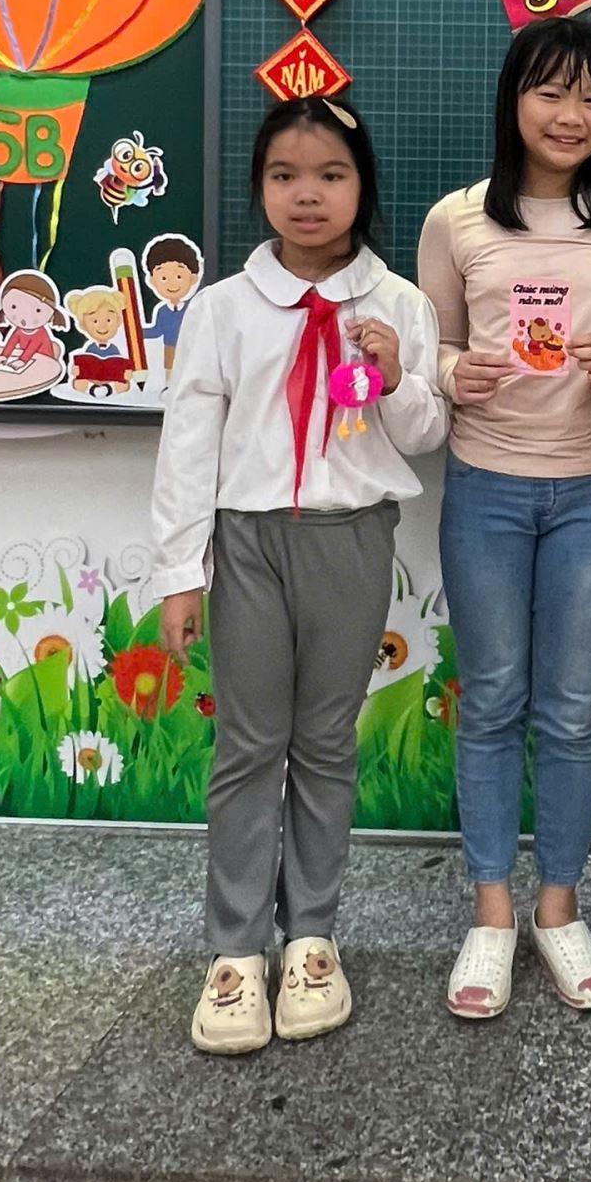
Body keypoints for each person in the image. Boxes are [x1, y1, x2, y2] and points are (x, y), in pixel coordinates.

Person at [152, 94, 447, 1057]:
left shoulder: (398, 302)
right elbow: (188, 445)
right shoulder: (223, 309)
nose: (307, 194)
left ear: (363, 187)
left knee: (324, 744)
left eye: (331, 174)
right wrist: (180, 571)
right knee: (248, 746)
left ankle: (312, 936)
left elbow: (426, 434)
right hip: (246, 542)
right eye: (285, 175)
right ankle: (236, 951)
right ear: (260, 188)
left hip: (349, 539)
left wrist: (396, 375)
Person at [418, 17, 591, 1021]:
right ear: (512, 100)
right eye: (551, 92)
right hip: (484, 486)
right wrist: (454, 373)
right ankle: (491, 914)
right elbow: (428, 349)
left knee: (570, 709)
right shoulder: (457, 222)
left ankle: (559, 910)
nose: (571, 115)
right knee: (490, 701)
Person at [143, 235, 203, 373]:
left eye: (179, 277)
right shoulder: (163, 311)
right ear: (152, 280)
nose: (172, 283)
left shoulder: (193, 307)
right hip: (170, 350)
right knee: (170, 374)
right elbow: (157, 330)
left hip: (191, 349)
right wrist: (137, 332)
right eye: (163, 278)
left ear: (193, 278)